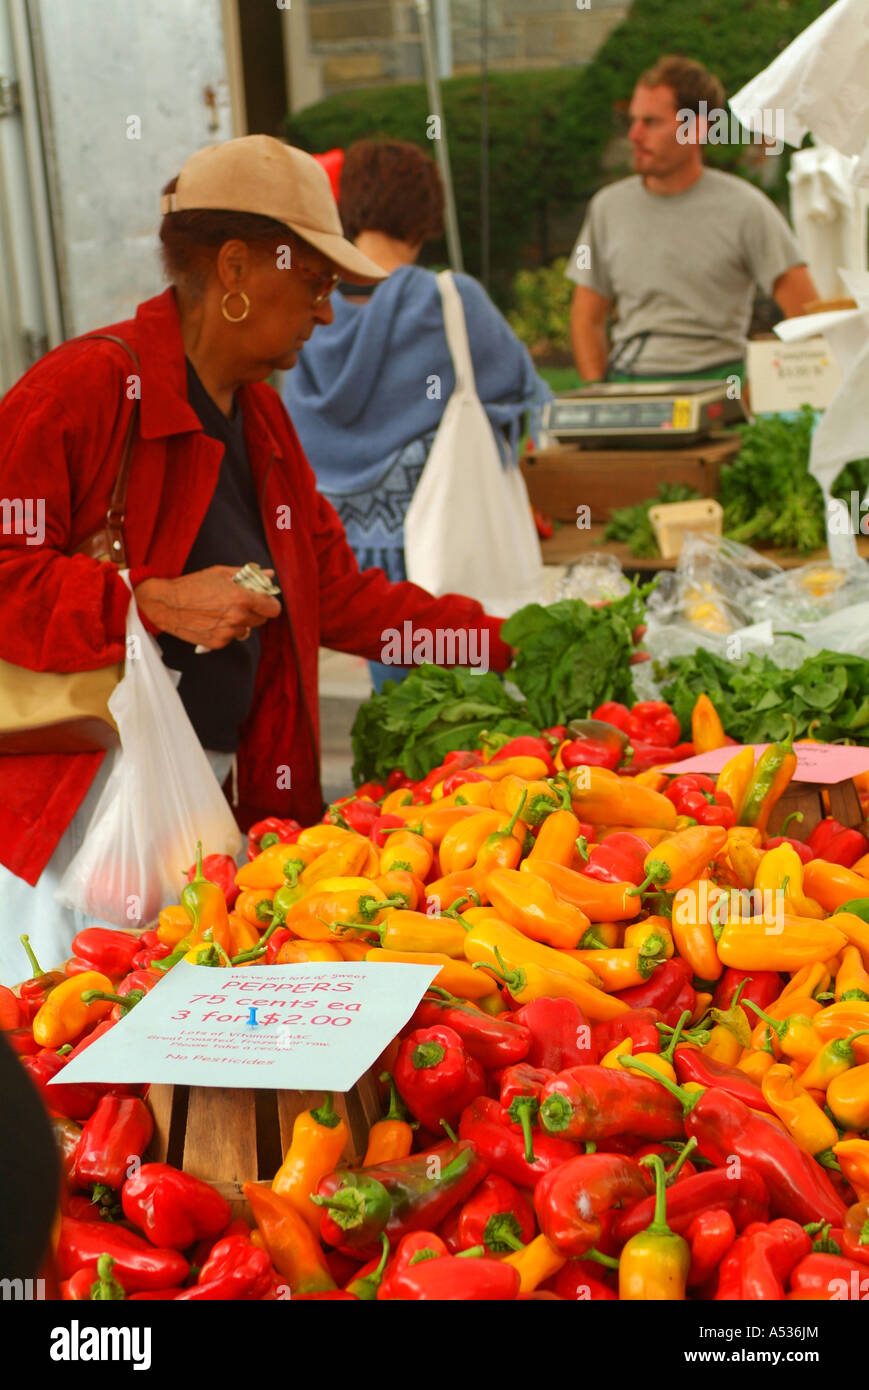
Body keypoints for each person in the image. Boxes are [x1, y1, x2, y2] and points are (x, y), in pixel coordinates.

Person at [0, 135, 512, 979]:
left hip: (204, 804)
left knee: (180, 1058)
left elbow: (340, 597)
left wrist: (506, 638)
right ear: (234, 270)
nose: (325, 311)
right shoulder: (84, 389)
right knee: (80, 1047)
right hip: (76, 819)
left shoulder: (264, 422)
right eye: (314, 282)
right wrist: (150, 600)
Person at [281, 138, 551, 690]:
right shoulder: (448, 301)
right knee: (462, 721)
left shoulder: (308, 309)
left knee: (398, 721)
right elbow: (524, 395)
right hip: (440, 551)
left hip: (342, 566)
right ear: (426, 216)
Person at [567, 54, 819, 383]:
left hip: (720, 383)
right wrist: (599, 395)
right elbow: (586, 317)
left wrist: (759, 389)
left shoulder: (746, 208)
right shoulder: (606, 208)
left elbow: (807, 313)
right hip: (629, 380)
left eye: (651, 122)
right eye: (632, 121)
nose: (634, 135)